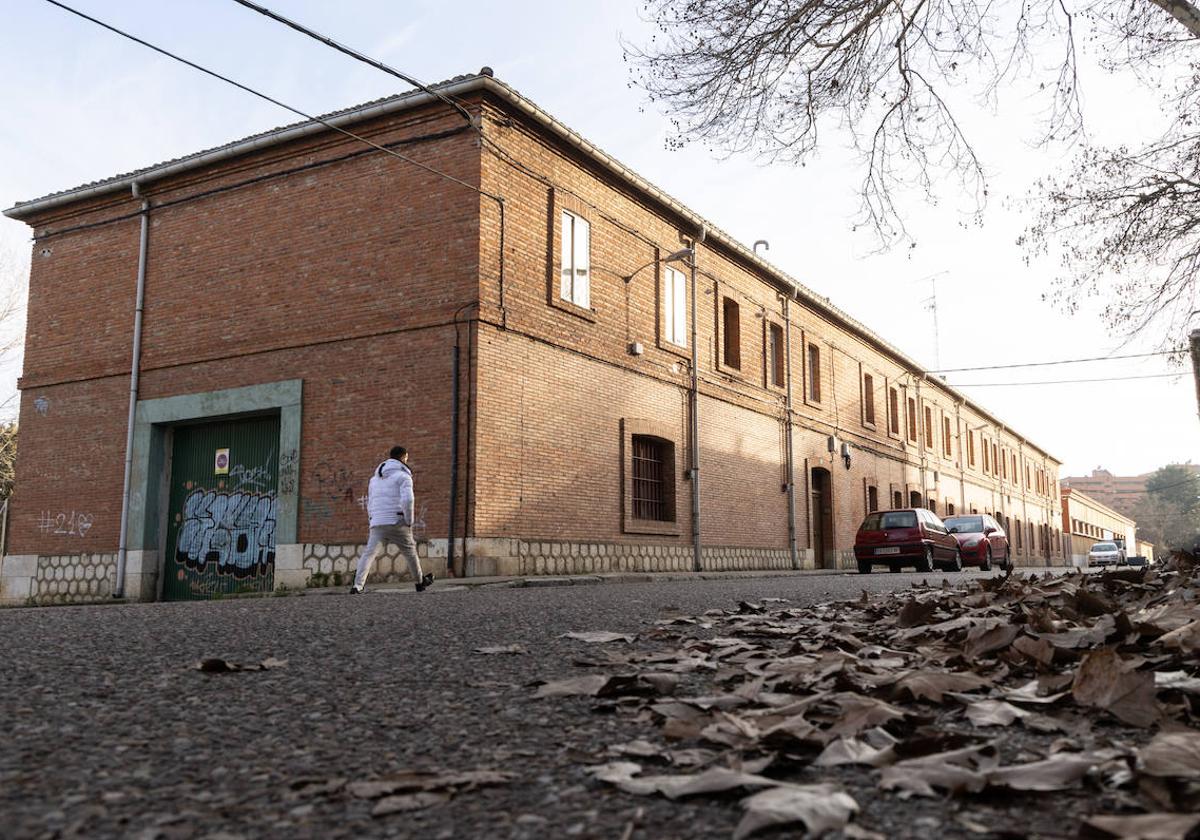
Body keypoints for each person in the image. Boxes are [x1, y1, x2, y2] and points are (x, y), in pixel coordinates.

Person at [350, 445, 434, 594]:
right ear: (403, 457)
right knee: (410, 552)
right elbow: (408, 500)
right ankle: (420, 582)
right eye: (407, 458)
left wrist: (372, 519)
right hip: (397, 521)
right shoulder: (404, 476)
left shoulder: (374, 480)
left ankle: (357, 586)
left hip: (378, 522)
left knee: (369, 553)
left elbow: (370, 502)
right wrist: (409, 520)